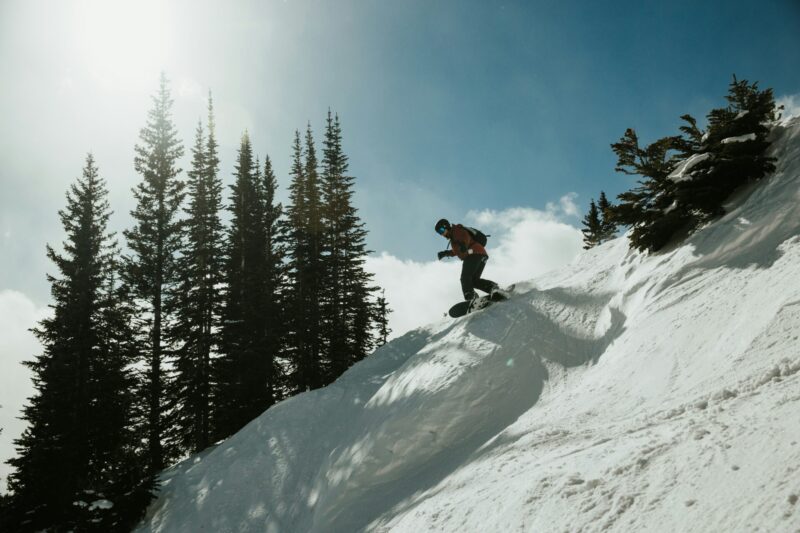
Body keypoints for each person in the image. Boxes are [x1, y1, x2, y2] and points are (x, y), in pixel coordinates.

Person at [435, 218, 505, 311]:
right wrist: (446, 253)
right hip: (481, 254)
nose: (441, 234)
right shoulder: (453, 238)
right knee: (473, 281)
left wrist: (464, 244)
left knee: (465, 277)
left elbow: (465, 236)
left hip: (474, 254)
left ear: (446, 227)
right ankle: (493, 288)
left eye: (441, 230)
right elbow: (457, 250)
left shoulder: (457, 230)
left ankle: (471, 297)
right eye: (439, 233)